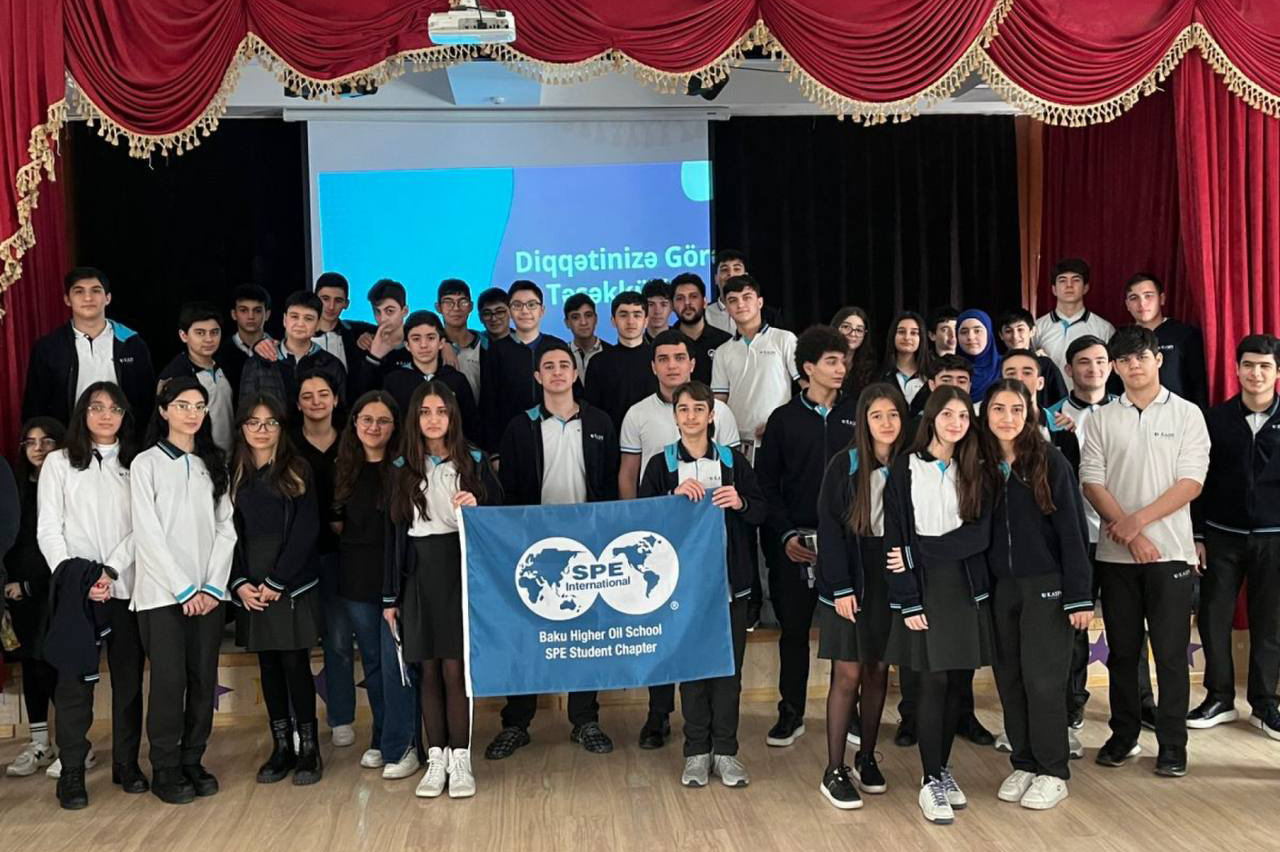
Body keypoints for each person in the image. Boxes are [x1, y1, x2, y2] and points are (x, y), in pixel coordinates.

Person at [1079, 325, 1209, 777]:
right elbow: (1091, 481)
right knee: (1123, 652)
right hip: (1116, 556)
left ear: (1158, 359)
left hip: (1171, 554)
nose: (1134, 365)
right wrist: (1131, 534)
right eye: (1124, 359)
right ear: (1115, 368)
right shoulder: (1101, 419)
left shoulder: (1188, 414)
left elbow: (1191, 482)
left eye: (1141, 357)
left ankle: (1172, 743)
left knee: (1171, 655)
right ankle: (1124, 734)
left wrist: (1139, 522)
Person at [489, 341, 622, 758]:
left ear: (575, 373)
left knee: (585, 636)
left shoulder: (600, 421)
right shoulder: (519, 427)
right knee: (526, 636)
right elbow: (509, 490)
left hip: (588, 546)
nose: (558, 372)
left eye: (565, 365)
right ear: (538, 376)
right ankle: (516, 722)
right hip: (534, 546)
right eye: (549, 366)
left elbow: (611, 482)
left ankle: (585, 720)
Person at [639, 380, 767, 789]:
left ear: (712, 415)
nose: (691, 416)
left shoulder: (733, 461)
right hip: (682, 589)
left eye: (699, 409)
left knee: (729, 672)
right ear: (674, 416)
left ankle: (726, 751)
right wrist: (672, 497)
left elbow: (761, 511)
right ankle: (696, 751)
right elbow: (643, 521)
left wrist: (740, 502)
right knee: (692, 670)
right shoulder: (660, 465)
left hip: (730, 584)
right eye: (684, 409)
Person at [883, 385, 1000, 825]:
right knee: (931, 683)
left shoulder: (977, 468)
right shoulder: (904, 466)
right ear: (931, 418)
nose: (956, 423)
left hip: (964, 588)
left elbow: (978, 537)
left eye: (964, 416)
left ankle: (943, 768)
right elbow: (895, 539)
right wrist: (908, 595)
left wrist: (918, 552)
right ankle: (930, 778)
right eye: (947, 414)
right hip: (923, 589)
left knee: (957, 684)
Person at [384, 381, 501, 799]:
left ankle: (461, 759)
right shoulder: (401, 466)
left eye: (441, 411)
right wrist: (390, 597)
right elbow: (393, 534)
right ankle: (436, 758)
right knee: (428, 668)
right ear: (415, 419)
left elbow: (499, 514)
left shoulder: (474, 459)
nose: (433, 420)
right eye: (425, 412)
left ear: (453, 416)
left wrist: (478, 504)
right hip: (418, 573)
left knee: (455, 669)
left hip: (460, 570)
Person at [983, 379, 1093, 810]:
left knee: (1043, 681)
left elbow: (1073, 530)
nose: (1007, 417)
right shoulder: (980, 463)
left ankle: (1053, 771)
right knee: (1010, 678)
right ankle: (1025, 763)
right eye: (998, 408)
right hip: (1001, 588)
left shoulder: (1050, 460)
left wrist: (1079, 595)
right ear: (986, 414)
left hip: (1047, 584)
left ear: (1029, 412)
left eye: (1016, 408)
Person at [36, 385, 143, 808]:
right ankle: (72, 772)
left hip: (125, 586)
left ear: (124, 416)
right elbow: (49, 527)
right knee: (74, 685)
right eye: (96, 407)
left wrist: (110, 570)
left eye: (114, 409)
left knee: (129, 680)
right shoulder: (59, 463)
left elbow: (143, 526)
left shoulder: (138, 463)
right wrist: (75, 577)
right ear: (83, 412)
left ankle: (126, 764)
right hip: (76, 591)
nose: (105, 415)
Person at [130, 376, 235, 805]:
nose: (192, 414)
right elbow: (147, 534)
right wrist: (184, 589)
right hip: (162, 595)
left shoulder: (214, 462)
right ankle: (166, 767)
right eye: (182, 405)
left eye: (199, 406)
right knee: (169, 682)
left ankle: (193, 758)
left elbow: (226, 528)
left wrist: (210, 587)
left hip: (209, 595)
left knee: (202, 678)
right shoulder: (146, 464)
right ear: (163, 410)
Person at [756, 327, 857, 748]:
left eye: (843, 361)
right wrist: (784, 536)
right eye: (831, 361)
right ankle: (791, 712)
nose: (840, 368)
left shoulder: (858, 412)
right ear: (808, 368)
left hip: (849, 546)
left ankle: (849, 714)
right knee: (794, 632)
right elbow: (766, 486)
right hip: (796, 543)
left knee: (846, 634)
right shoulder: (783, 419)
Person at [815, 383, 908, 809]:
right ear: (864, 422)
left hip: (890, 575)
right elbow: (829, 529)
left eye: (893, 414)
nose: (886, 423)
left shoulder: (911, 464)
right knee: (847, 674)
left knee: (877, 670)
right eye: (876, 416)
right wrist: (840, 588)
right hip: (851, 576)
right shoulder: (844, 464)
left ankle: (867, 756)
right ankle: (834, 769)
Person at [227, 392, 323, 785]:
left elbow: (306, 529)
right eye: (254, 423)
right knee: (268, 664)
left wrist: (277, 580)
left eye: (270, 423)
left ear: (282, 428)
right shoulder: (232, 473)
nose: (262, 430)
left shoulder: (297, 469)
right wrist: (239, 583)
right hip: (250, 585)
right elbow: (224, 534)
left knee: (294, 663)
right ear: (242, 428)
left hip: (289, 583)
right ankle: (281, 746)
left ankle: (309, 748)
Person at [1189, 334, 1280, 737]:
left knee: (1270, 621)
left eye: (1264, 366)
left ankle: (1265, 703)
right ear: (1237, 369)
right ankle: (1219, 697)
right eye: (1248, 365)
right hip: (1221, 537)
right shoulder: (1214, 419)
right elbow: (1197, 480)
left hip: (1275, 538)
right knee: (1214, 617)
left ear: (1277, 372)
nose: (1255, 373)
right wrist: (1197, 535)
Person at [332, 392, 421, 777]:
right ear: (354, 423)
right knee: (372, 664)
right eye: (367, 419)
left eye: (383, 420)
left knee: (395, 665)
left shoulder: (404, 470)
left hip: (395, 582)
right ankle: (382, 737)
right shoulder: (343, 467)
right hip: (355, 580)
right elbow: (337, 523)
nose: (374, 427)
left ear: (395, 426)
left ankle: (404, 745)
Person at [1043, 335, 1122, 728]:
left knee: (1127, 625)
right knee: (1072, 625)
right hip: (1073, 538)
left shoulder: (1127, 411)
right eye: (1084, 362)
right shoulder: (1048, 416)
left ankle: (1137, 704)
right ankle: (1072, 701)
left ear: (1111, 367)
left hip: (1121, 534)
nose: (1094, 369)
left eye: (1101, 361)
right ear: (1069, 369)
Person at [286, 371, 349, 749]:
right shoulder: (287, 444)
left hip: (341, 555)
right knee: (296, 645)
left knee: (338, 641)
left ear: (335, 399)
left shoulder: (351, 439)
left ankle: (340, 717)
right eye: (307, 396)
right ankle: (298, 722)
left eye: (323, 394)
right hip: (298, 558)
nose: (316, 402)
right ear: (297, 403)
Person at [3, 417, 65, 778]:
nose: (38, 449)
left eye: (46, 441)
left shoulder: (68, 485)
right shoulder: (16, 488)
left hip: (54, 592)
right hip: (19, 596)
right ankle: (40, 743)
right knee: (30, 663)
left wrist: (31, 586)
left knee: (53, 664)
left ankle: (74, 745)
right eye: (30, 442)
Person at [23, 266, 156, 431]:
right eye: (79, 291)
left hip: (124, 439)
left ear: (108, 298)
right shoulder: (48, 348)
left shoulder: (132, 343)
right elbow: (35, 406)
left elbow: (148, 400)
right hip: (68, 439)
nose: (88, 297)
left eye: (96, 290)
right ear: (67, 299)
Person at [619, 330, 741, 498]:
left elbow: (735, 470)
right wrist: (633, 513)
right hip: (657, 508)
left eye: (680, 358)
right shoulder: (636, 414)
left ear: (692, 364)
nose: (672, 366)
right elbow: (628, 475)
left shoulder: (720, 411)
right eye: (663, 359)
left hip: (712, 509)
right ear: (653, 367)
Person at [711, 274, 799, 456]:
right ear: (727, 308)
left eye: (747, 297)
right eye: (733, 300)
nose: (740, 304)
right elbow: (719, 401)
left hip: (778, 437)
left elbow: (808, 387)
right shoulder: (722, 351)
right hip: (736, 443)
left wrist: (780, 422)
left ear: (760, 302)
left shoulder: (784, 339)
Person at [479, 281, 571, 453]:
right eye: (517, 305)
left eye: (531, 304)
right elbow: (488, 405)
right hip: (512, 442)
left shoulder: (557, 346)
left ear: (542, 310)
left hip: (558, 440)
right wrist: (494, 453)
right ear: (510, 311)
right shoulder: (497, 351)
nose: (525, 311)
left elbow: (574, 395)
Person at [240, 291, 347, 413]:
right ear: (285, 320)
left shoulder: (332, 365)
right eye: (294, 316)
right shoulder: (257, 363)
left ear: (318, 325)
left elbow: (341, 413)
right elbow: (245, 412)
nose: (300, 324)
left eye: (308, 318)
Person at [383, 311, 479, 444]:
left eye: (431, 338)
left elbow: (471, 427)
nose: (423, 345)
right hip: (406, 454)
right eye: (416, 339)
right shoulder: (394, 381)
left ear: (441, 343)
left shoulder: (457, 380)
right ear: (407, 345)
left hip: (451, 453)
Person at [157, 302, 236, 454]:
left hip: (230, 454)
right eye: (200, 333)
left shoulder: (227, 366)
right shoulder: (175, 374)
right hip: (196, 455)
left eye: (214, 332)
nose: (209, 339)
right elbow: (164, 424)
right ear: (184, 335)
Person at [1119, 273, 1207, 408]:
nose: (1142, 304)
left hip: (1177, 414)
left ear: (1161, 299)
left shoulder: (1184, 335)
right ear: (1127, 305)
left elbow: (1199, 384)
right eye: (1134, 298)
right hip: (1133, 414)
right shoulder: (1121, 338)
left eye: (1148, 296)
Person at [1033, 258, 1116, 389]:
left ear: (1086, 287)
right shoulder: (1037, 327)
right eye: (1062, 280)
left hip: (1090, 398)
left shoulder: (1104, 329)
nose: (1069, 285)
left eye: (1076, 280)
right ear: (1054, 289)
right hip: (1048, 399)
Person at [583, 290, 656, 431]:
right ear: (613, 321)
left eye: (637, 315)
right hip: (612, 438)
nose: (630, 321)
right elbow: (592, 411)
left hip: (654, 437)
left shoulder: (659, 358)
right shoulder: (598, 362)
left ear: (646, 321)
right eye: (623, 315)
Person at [1001, 350, 1081, 470]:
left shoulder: (1061, 428)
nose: (1019, 379)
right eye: (1011, 373)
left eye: (1027, 373)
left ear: (1040, 383)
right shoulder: (990, 427)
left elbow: (1070, 476)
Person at [996, 307, 1068, 409]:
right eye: (1008, 331)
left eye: (1020, 329)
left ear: (1032, 331)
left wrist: (1046, 416)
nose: (1015, 336)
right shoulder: (997, 366)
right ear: (1001, 335)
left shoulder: (1045, 364)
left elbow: (1062, 401)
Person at [672, 272, 731, 386]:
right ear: (672, 305)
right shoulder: (664, 344)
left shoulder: (725, 341)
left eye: (693, 297)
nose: (687, 303)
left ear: (704, 302)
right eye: (680, 298)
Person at [313, 271, 375, 375]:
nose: (331, 306)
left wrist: (372, 337)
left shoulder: (357, 332)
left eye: (338, 300)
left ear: (346, 304)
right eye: (325, 299)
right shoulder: (297, 333)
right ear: (314, 299)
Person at [218, 283, 272, 390]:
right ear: (234, 314)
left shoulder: (279, 350)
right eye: (243, 310)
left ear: (267, 315)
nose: (250, 316)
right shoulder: (220, 353)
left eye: (257, 310)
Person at [436, 279, 483, 399]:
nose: (456, 308)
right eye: (448, 302)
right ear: (438, 307)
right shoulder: (431, 347)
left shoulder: (485, 345)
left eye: (463, 302)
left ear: (471, 306)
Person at [879, 311, 931, 407]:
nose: (907, 337)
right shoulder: (880, 374)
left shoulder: (931, 375)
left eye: (913, 333)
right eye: (901, 332)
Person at [907, 354, 973, 422]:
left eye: (961, 381)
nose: (954, 385)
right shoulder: (918, 423)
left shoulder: (976, 423)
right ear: (932, 385)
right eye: (946, 381)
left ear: (969, 387)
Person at [832, 306, 877, 401]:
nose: (853, 334)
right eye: (846, 327)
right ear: (836, 328)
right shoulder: (821, 359)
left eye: (859, 330)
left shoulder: (870, 367)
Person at [956, 309, 1001, 401]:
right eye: (964, 332)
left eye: (977, 331)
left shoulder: (1005, 367)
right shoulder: (949, 370)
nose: (970, 337)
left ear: (988, 334)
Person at [564, 293, 609, 379]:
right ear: (567, 323)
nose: (583, 322)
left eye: (588, 315)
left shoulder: (612, 353)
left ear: (596, 319)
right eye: (575, 317)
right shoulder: (561, 355)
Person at [705, 249, 747, 334]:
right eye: (724, 270)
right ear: (716, 279)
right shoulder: (704, 315)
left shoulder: (762, 312)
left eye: (737, 269)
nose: (731, 274)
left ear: (746, 277)